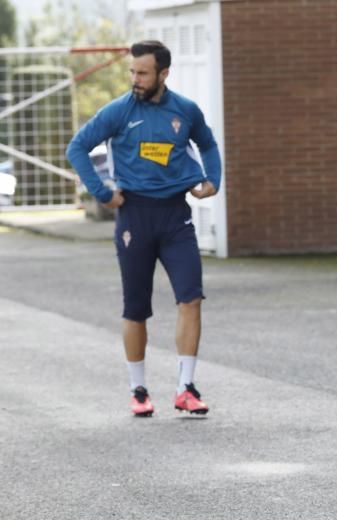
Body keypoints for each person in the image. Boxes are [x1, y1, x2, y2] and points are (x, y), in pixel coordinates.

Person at [66, 40, 221, 417]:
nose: (135, 79)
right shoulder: (118, 111)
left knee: (191, 297)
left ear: (163, 74)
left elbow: (208, 144)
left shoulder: (185, 111)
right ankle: (138, 390)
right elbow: (77, 148)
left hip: (175, 216)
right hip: (134, 216)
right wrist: (102, 192)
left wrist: (212, 179)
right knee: (136, 307)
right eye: (132, 72)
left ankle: (186, 387)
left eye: (143, 73)